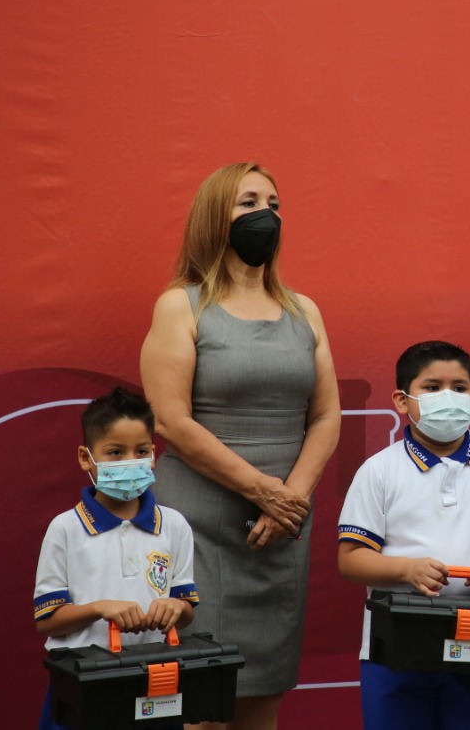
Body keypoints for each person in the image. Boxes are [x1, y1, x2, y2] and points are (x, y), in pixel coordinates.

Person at [140, 162, 341, 729]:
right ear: (215, 217)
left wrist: (290, 498)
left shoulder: (305, 311)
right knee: (200, 700)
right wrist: (262, 491)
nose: (265, 215)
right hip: (200, 527)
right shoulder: (181, 305)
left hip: (281, 531)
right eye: (248, 203)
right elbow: (170, 420)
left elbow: (326, 415)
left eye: (273, 204)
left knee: (263, 698)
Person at [338, 341, 470, 730]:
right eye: (432, 387)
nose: (448, 397)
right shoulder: (378, 470)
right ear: (402, 401)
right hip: (395, 642)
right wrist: (407, 570)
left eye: (459, 387)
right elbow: (351, 559)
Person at [34, 387, 198, 730]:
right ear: (85, 457)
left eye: (141, 451)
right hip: (85, 681)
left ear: (153, 455)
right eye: (115, 452)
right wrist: (99, 608)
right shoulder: (65, 529)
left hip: (155, 682)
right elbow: (47, 621)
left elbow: (186, 613)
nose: (130, 462)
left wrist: (176, 608)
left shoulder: (174, 525)